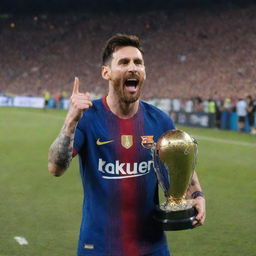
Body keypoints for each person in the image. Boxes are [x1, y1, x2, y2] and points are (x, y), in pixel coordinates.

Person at [48, 34, 206, 256]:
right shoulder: (88, 118)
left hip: (152, 245)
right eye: (123, 62)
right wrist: (70, 123)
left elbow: (181, 164)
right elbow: (55, 168)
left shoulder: (160, 120)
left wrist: (197, 196)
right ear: (106, 72)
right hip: (98, 246)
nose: (133, 68)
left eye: (138, 62)